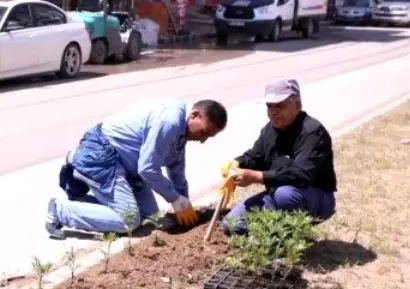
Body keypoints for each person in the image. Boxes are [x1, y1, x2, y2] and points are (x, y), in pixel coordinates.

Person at [46, 100, 229, 239]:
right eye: (204, 132)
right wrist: (174, 198)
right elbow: (148, 169)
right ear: (195, 115)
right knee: (129, 220)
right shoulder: (170, 123)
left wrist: (184, 202)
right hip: (101, 156)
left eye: (208, 137)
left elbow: (176, 170)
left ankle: (84, 202)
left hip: (126, 165)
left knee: (149, 217)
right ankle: (61, 211)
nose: (203, 140)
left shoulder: (182, 131)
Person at [223, 78, 337, 233]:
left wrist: (257, 176)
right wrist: (236, 164)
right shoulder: (270, 129)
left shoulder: (312, 132)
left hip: (314, 196)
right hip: (276, 194)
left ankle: (289, 240)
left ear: (297, 105)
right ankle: (275, 236)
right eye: (269, 106)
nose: (273, 112)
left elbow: (301, 174)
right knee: (231, 223)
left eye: (280, 105)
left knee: (285, 195)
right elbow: (256, 157)